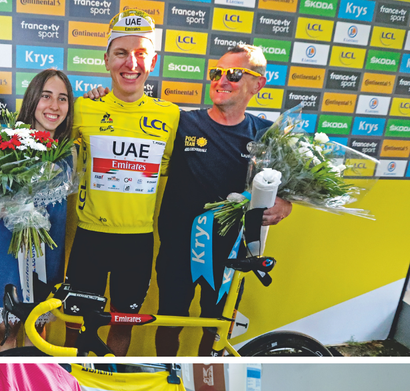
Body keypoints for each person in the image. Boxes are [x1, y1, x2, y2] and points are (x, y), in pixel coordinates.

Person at [154, 44, 293, 356]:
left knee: (216, 326)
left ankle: (204, 386)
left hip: (231, 253)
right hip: (178, 249)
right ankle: (164, 379)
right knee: (169, 321)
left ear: (258, 83)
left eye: (234, 73)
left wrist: (285, 204)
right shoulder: (182, 123)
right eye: (217, 73)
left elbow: (285, 187)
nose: (222, 80)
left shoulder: (267, 135)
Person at [64, 10, 179, 355]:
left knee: (122, 322)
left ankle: (111, 379)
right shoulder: (82, 108)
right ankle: (72, 380)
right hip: (90, 237)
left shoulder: (171, 116)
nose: (132, 63)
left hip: (139, 241)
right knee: (75, 323)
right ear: (106, 60)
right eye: (121, 53)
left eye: (141, 53)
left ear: (153, 61)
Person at [0, 68, 76, 352]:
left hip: (48, 252)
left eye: (63, 99)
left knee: (38, 329)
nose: (54, 106)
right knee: (7, 328)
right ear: (33, 98)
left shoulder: (70, 151)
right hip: (9, 251)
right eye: (46, 96)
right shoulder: (8, 144)